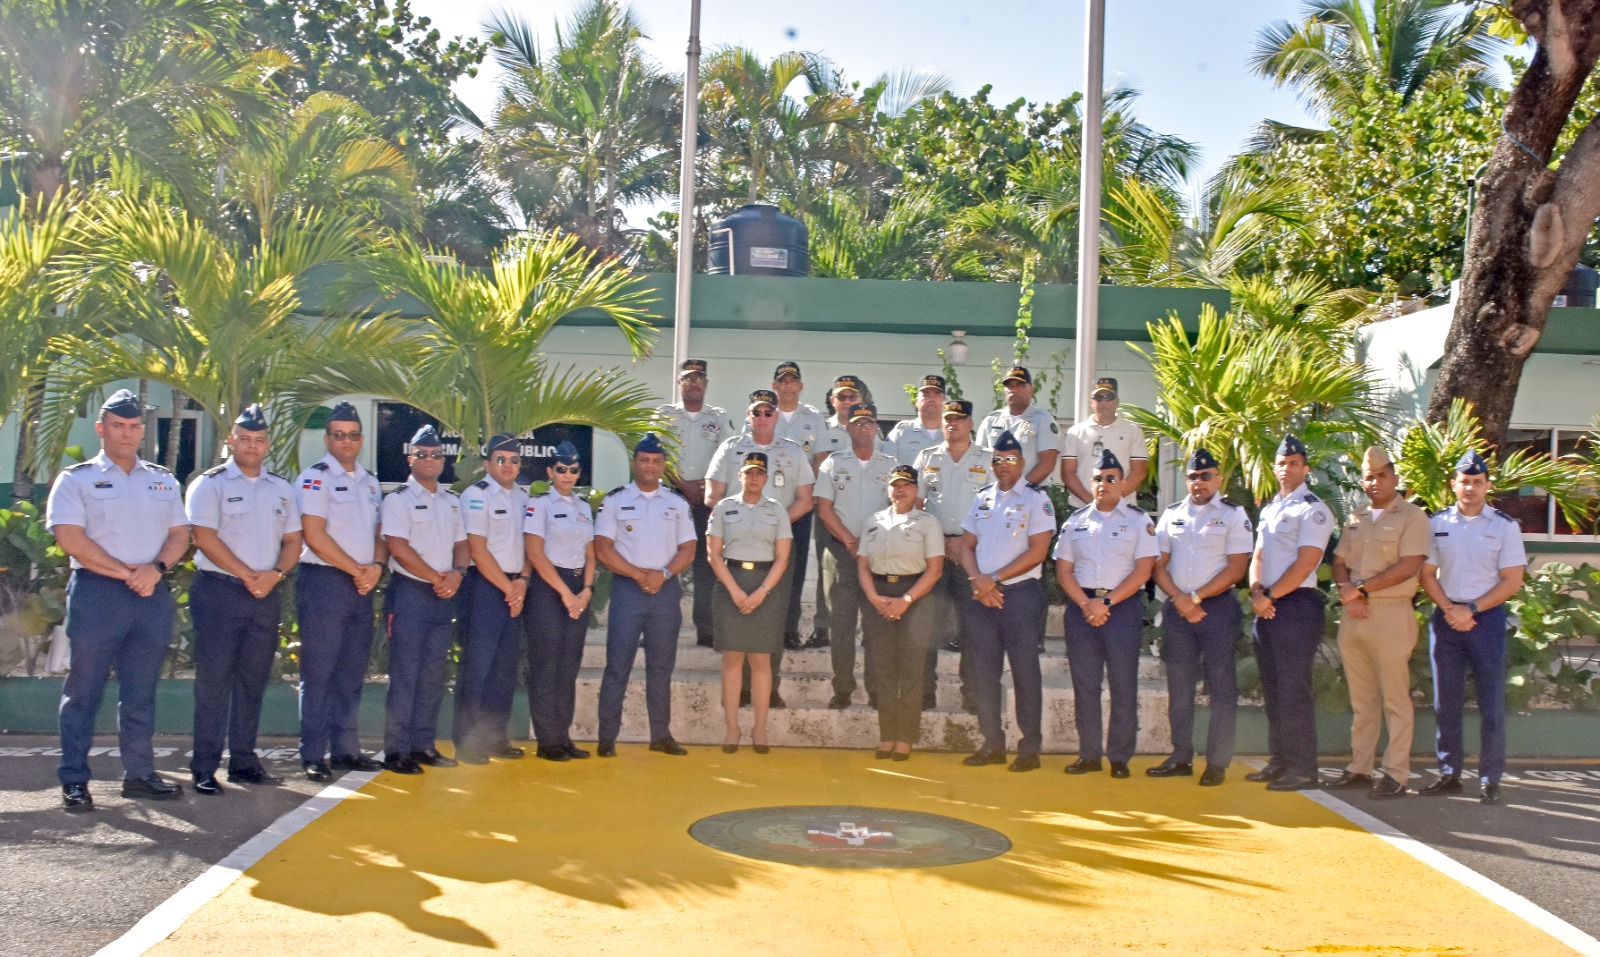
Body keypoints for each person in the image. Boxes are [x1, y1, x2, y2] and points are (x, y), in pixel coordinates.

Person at [47, 389, 190, 812]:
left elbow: (179, 534)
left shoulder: (163, 478)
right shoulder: (76, 478)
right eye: (117, 426)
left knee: (141, 691)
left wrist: (156, 569)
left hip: (150, 594)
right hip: (98, 594)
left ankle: (140, 775)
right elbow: (70, 538)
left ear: (142, 431)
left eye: (133, 427)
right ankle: (74, 779)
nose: (126, 434)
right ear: (101, 429)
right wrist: (129, 572)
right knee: (83, 691)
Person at [185, 403, 302, 795]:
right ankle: (204, 766)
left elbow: (293, 541)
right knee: (214, 683)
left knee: (253, 682)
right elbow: (203, 537)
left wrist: (275, 574)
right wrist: (246, 573)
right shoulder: (210, 484)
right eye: (245, 439)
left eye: (259, 440)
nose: (252, 446)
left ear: (268, 445)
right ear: (231, 441)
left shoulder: (281, 489)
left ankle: (244, 762)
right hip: (220, 592)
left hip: (264, 594)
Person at [1417, 450, 1527, 806]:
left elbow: (1512, 580)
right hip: (1447, 619)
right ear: (1454, 485)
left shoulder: (1504, 526)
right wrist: (1450, 608)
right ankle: (1449, 772)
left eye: (1477, 482)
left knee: (1490, 701)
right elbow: (1426, 574)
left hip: (1486, 619)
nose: (1470, 488)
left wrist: (1472, 609)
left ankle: (1489, 778)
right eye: (1464, 482)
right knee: (1445, 701)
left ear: (1487, 486)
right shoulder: (1436, 523)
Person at [1327, 446, 1431, 799]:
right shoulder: (1356, 517)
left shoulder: (1412, 516)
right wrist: (1346, 589)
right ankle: (1360, 767)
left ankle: (1397, 773)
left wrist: (1360, 589)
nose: (1375, 482)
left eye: (1382, 475)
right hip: (1353, 613)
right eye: (1369, 476)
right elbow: (1339, 559)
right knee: (1362, 699)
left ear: (1395, 479)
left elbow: (1409, 565)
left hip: (1389, 611)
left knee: (1394, 699)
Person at [294, 401, 386, 782]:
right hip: (325, 583)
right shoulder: (314, 478)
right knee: (319, 671)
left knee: (351, 671)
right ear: (327, 438)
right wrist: (357, 570)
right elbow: (314, 535)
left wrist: (376, 567)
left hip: (362, 584)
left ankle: (346, 749)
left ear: (361, 439)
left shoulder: (370, 481)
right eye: (338, 435)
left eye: (352, 435)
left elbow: (381, 533)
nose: (345, 441)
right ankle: (313, 753)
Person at [1149, 448, 1251, 786]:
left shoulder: (1234, 515)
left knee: (1221, 687)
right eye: (1193, 476)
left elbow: (1238, 567)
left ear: (1218, 478)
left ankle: (1217, 762)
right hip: (1179, 610)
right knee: (1179, 688)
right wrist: (1180, 599)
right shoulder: (1172, 514)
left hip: (1217, 609)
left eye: (1206, 475)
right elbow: (1157, 564)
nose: (1199, 482)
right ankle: (1181, 756)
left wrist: (1196, 597)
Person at [1054, 449, 1158, 778]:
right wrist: (1087, 605)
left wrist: (1107, 603)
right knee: (1085, 684)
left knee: (1122, 683)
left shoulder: (1139, 521)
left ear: (1123, 483)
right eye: (1098, 478)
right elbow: (1063, 571)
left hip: (1122, 607)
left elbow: (1143, 572)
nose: (1104, 484)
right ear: (1091, 482)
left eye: (1111, 478)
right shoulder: (1076, 521)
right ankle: (1089, 755)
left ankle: (1119, 757)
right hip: (1082, 607)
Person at [707, 389, 815, 707]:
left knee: (773, 616)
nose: (763, 418)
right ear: (748, 415)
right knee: (735, 615)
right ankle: (739, 688)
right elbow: (712, 496)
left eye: (769, 412)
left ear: (777, 416)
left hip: (777, 549)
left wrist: (775, 525)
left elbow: (806, 500)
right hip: (737, 549)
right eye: (757, 412)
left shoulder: (793, 452)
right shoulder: (730, 449)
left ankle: (768, 688)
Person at [956, 430, 1055, 772]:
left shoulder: (1035, 500)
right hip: (981, 597)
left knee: (1025, 672)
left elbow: (1039, 551)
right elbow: (965, 546)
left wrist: (993, 580)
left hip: (1020, 597)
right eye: (998, 460)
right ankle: (992, 743)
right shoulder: (981, 498)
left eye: (1010, 459)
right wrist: (977, 581)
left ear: (1022, 463)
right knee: (983, 674)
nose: (1003, 466)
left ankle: (1029, 747)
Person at [595, 432, 698, 757]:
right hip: (628, 590)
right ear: (633, 463)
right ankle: (607, 737)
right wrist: (640, 575)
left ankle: (661, 735)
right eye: (644, 460)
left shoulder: (677, 503)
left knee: (661, 666)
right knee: (617, 666)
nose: (650, 466)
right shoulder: (614, 501)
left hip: (665, 592)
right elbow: (602, 549)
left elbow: (689, 548)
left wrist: (663, 574)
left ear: (663, 465)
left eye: (656, 461)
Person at [1247, 433, 1335, 792]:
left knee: (1293, 689)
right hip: (1265, 603)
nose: (1286, 468)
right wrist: (1256, 591)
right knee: (1273, 688)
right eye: (1281, 463)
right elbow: (1259, 557)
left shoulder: (1312, 510)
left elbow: (1306, 563)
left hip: (1296, 605)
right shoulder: (1270, 508)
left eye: (1294, 463)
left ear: (1305, 468)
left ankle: (1302, 768)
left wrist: (1269, 595)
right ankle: (1279, 759)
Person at [378, 425, 466, 775]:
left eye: (436, 454)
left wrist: (457, 573)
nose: (430, 460)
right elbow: (398, 547)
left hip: (443, 595)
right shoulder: (397, 499)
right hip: (411, 594)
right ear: (410, 458)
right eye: (422, 454)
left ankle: (423, 745)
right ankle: (397, 750)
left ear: (443, 460)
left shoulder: (452, 502)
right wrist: (437, 578)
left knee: (433, 675)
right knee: (406, 675)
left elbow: (463, 543)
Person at [707, 452, 793, 754]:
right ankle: (732, 727)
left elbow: (782, 557)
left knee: (760, 660)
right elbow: (713, 555)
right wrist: (734, 591)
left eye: (759, 473)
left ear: (766, 478)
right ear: (739, 476)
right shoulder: (723, 508)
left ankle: (759, 727)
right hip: (731, 583)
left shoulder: (777, 511)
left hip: (764, 585)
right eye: (749, 472)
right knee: (732, 658)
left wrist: (762, 591)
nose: (754, 477)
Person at [815, 403, 899, 709]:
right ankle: (843, 688)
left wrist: (869, 543)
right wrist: (850, 540)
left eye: (868, 424)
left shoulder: (891, 465)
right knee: (842, 625)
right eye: (857, 424)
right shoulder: (833, 464)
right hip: (841, 554)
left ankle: (876, 689)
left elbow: (899, 508)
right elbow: (824, 509)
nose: (863, 428)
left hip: (878, 556)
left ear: (877, 428)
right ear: (847, 429)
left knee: (877, 628)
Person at [857, 465, 944, 761]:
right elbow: (862, 565)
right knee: (881, 667)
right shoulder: (873, 521)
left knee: (910, 669)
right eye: (895, 485)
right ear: (888, 489)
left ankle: (905, 736)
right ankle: (887, 736)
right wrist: (872, 596)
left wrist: (906, 600)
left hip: (915, 598)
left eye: (906, 485)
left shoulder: (928, 523)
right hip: (878, 597)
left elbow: (934, 570)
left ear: (916, 489)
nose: (900, 490)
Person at [454, 433, 531, 764]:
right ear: (487, 464)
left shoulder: (524, 497)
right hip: (485, 588)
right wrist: (508, 587)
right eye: (501, 460)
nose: (508, 466)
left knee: (503, 669)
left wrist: (523, 582)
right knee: (478, 667)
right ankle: (468, 741)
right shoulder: (476, 496)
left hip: (516, 588)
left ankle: (496, 736)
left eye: (514, 460)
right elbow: (477, 548)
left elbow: (532, 545)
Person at [913, 398, 992, 711]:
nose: (951, 423)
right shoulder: (926, 457)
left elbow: (991, 507)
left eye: (958, 419)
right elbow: (918, 505)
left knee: (973, 627)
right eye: (947, 418)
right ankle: (925, 693)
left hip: (971, 553)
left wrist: (965, 542)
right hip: (934, 552)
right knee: (928, 625)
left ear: (970, 423)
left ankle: (972, 694)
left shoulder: (986, 459)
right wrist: (938, 541)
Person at [522, 441, 597, 762]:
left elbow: (591, 554)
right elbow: (535, 553)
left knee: (569, 666)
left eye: (574, 470)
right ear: (550, 472)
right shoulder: (539, 505)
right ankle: (547, 740)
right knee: (546, 666)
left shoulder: (583, 507)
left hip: (579, 587)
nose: (568, 475)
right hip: (548, 589)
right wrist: (565, 593)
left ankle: (562, 736)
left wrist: (588, 589)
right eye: (562, 469)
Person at [657, 358, 730, 649]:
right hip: (670, 496)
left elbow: (725, 456)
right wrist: (681, 483)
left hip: (704, 500)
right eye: (687, 378)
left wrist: (701, 486)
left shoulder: (719, 417)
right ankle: (658, 627)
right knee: (662, 561)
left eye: (698, 378)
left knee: (704, 567)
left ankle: (706, 629)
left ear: (706, 384)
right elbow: (655, 453)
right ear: (679, 384)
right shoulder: (663, 415)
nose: (693, 382)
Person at [806, 374, 875, 649]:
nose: (847, 401)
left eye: (852, 396)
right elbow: (817, 467)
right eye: (842, 396)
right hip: (829, 514)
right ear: (832, 400)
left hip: (866, 518)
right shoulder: (823, 429)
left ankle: (869, 628)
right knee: (828, 574)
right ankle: (823, 626)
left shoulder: (873, 430)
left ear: (861, 399)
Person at [764, 361, 827, 650]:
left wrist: (808, 496)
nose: (788, 385)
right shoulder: (763, 412)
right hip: (765, 509)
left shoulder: (812, 417)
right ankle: (764, 626)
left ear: (800, 386)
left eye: (793, 380)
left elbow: (821, 459)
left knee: (796, 568)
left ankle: (789, 628)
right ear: (775, 385)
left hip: (799, 509)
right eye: (783, 380)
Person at [1061, 377, 1148, 506]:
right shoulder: (1075, 432)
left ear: (1117, 401)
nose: (1104, 402)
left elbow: (1139, 472)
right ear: (1092, 402)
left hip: (1123, 506)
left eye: (1108, 397)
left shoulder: (1133, 431)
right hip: (1081, 506)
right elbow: (1068, 472)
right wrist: (1093, 502)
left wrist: (1112, 499)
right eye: (1099, 398)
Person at [975, 366, 1059, 487]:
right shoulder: (990, 421)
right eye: (1010, 385)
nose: (1014, 389)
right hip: (995, 497)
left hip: (1030, 495)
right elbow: (979, 461)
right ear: (1004, 390)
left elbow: (1047, 464)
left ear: (1031, 389)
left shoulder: (1043, 420)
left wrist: (1018, 490)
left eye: (1021, 385)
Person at [885, 374, 947, 466]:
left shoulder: (955, 432)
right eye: (926, 395)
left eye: (937, 394)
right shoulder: (901, 432)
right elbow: (886, 465)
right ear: (916, 401)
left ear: (945, 401)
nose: (931, 399)